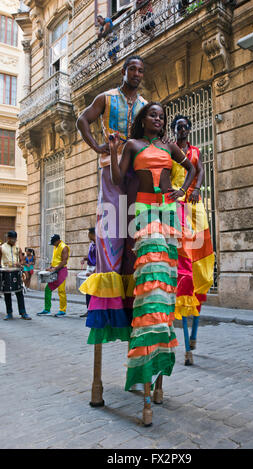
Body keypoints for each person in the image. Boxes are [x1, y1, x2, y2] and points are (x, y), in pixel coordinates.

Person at [109, 102, 196, 426]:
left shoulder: (170, 147)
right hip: (143, 216)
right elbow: (119, 181)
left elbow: (193, 169)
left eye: (161, 116)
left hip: (168, 215)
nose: (157, 119)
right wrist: (117, 149)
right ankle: (148, 384)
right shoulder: (133, 145)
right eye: (152, 115)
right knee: (149, 292)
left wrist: (183, 191)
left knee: (164, 293)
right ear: (143, 120)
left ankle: (157, 381)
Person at [77, 56, 147, 346]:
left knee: (133, 231)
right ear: (123, 71)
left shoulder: (144, 105)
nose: (137, 73)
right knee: (110, 227)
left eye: (141, 70)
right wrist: (96, 146)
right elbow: (82, 119)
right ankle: (109, 291)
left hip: (135, 173)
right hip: (110, 168)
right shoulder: (105, 98)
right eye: (132, 68)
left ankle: (132, 292)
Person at [170, 115, 215, 365]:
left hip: (194, 207)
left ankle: (194, 331)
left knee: (201, 263)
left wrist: (196, 188)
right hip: (176, 206)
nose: (183, 129)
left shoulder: (195, 151)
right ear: (174, 130)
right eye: (179, 127)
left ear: (190, 128)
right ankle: (186, 343)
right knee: (184, 264)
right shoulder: (170, 151)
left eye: (186, 126)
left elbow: (198, 172)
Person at [0, 231, 31, 320]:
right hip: (5, 272)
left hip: (16, 272)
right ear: (8, 238)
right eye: (12, 239)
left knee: (19, 292)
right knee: (7, 293)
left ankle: (23, 312)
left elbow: (22, 260)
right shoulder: (2, 248)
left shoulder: (18, 248)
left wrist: (20, 263)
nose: (14, 241)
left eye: (15, 240)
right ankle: (9, 313)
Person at [37, 234, 70, 317]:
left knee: (61, 290)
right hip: (55, 270)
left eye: (53, 243)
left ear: (57, 240)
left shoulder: (64, 247)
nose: (53, 245)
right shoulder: (56, 246)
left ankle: (62, 310)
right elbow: (56, 260)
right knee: (48, 289)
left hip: (61, 271)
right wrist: (51, 268)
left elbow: (64, 261)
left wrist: (54, 268)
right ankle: (47, 309)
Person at [80, 228, 96, 318]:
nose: (88, 236)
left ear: (93, 234)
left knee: (93, 291)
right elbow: (91, 256)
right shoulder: (91, 244)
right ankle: (89, 309)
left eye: (89, 234)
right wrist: (84, 259)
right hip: (89, 268)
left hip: (95, 269)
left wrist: (94, 272)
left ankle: (93, 310)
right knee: (88, 291)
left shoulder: (99, 245)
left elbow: (101, 259)